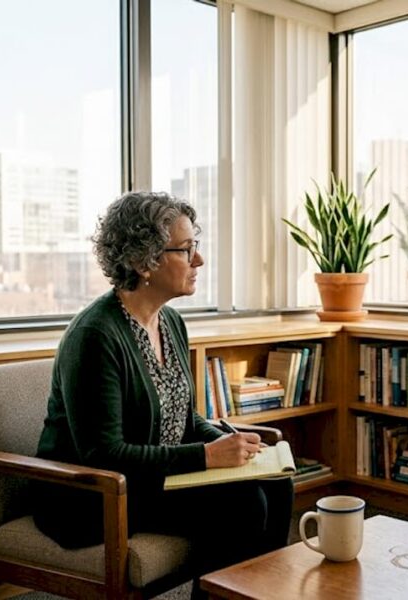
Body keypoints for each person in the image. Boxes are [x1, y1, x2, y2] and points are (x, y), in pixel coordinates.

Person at [33, 191, 292, 589]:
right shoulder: (94, 336)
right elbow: (104, 454)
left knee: (278, 486)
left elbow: (184, 420)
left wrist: (231, 442)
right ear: (143, 261)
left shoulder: (170, 322)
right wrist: (207, 456)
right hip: (92, 496)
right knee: (244, 506)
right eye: (186, 250)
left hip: (153, 479)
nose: (199, 261)